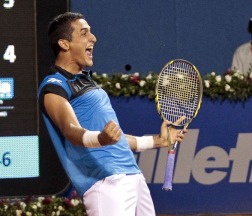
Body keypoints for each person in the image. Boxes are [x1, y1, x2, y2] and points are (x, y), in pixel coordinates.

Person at [38, 12, 187, 216]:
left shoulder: (87, 82)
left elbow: (113, 138)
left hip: (132, 176)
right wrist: (100, 138)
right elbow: (70, 130)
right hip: (106, 184)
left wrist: (157, 141)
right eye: (84, 33)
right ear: (64, 44)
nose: (93, 38)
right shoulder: (54, 86)